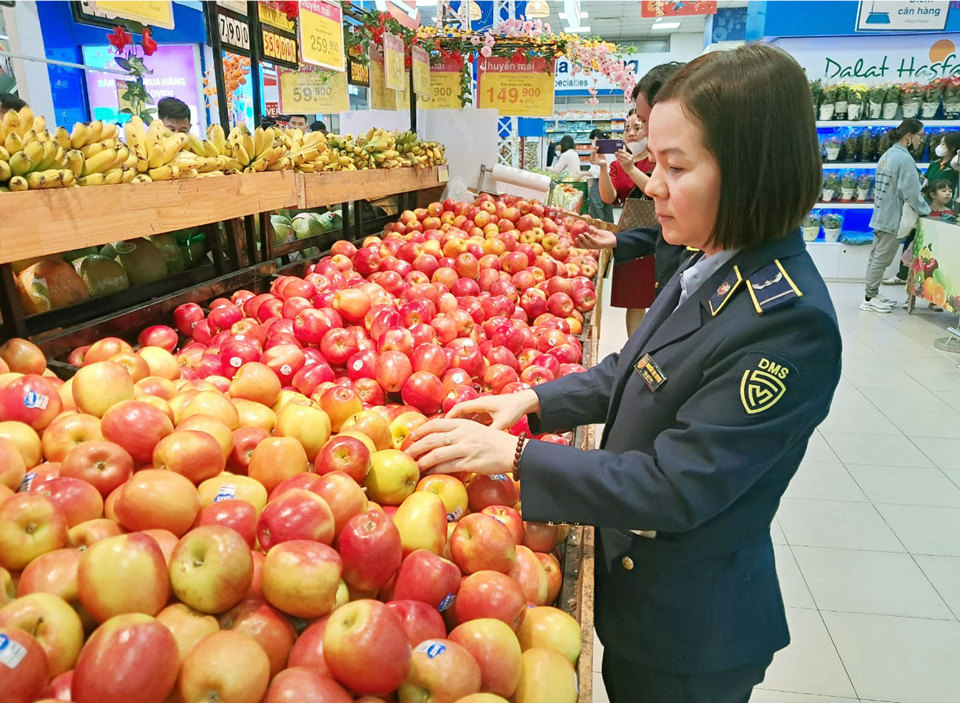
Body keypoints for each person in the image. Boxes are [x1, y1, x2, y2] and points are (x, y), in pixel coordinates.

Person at [406, 43, 840, 703]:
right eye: (651, 164)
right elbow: (631, 369)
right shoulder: (708, 258)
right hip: (642, 597)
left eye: (675, 165)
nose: (651, 185)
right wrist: (528, 398)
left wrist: (518, 455)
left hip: (688, 632)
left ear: (750, 171)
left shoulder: (785, 321)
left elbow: (675, 485)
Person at [590, 112, 658, 334]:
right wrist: (602, 167)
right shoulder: (619, 164)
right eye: (627, 128)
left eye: (638, 127)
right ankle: (635, 352)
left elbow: (657, 191)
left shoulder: (659, 159)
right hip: (633, 237)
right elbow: (609, 198)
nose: (631, 133)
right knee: (635, 301)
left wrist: (632, 169)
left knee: (663, 299)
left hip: (664, 235)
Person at [862, 118, 930, 313]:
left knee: (876, 256)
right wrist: (925, 209)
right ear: (909, 136)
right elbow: (910, 192)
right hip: (893, 216)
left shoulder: (888, 154)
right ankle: (869, 297)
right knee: (882, 258)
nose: (920, 140)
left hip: (881, 213)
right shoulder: (905, 159)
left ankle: (872, 293)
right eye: (920, 136)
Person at [887, 131, 960, 285]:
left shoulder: (954, 167)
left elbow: (956, 165)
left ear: (953, 148)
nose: (940, 147)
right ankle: (903, 274)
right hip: (925, 207)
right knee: (912, 239)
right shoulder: (934, 164)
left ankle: (930, 280)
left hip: (944, 212)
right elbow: (924, 184)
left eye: (944, 144)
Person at [587, 129, 615, 223]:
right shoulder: (611, 148)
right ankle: (610, 231)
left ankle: (599, 232)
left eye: (591, 141)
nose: (591, 144)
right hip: (610, 181)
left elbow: (596, 172)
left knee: (597, 210)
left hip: (598, 182)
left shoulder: (597, 150)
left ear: (595, 138)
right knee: (608, 209)